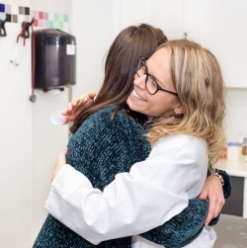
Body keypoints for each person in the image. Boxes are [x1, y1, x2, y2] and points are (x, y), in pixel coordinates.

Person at [33, 25, 229, 248]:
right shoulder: (125, 125)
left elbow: (115, 215)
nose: (138, 81)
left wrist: (218, 179)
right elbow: (158, 221)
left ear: (180, 104)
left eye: (153, 82)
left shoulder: (174, 143)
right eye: (143, 69)